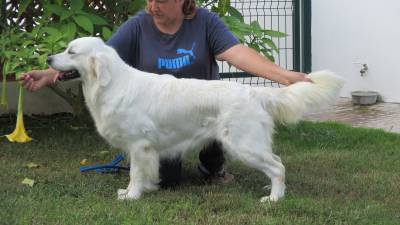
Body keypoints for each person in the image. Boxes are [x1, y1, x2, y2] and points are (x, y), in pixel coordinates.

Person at [21, 0, 310, 187]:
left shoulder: (205, 22)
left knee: (228, 132)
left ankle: (215, 167)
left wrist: (283, 76)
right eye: (149, 0)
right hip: (162, 115)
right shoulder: (138, 25)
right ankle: (153, 176)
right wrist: (48, 75)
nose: (152, 6)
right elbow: (96, 56)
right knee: (168, 179)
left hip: (207, 104)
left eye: (160, 0)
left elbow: (238, 54)